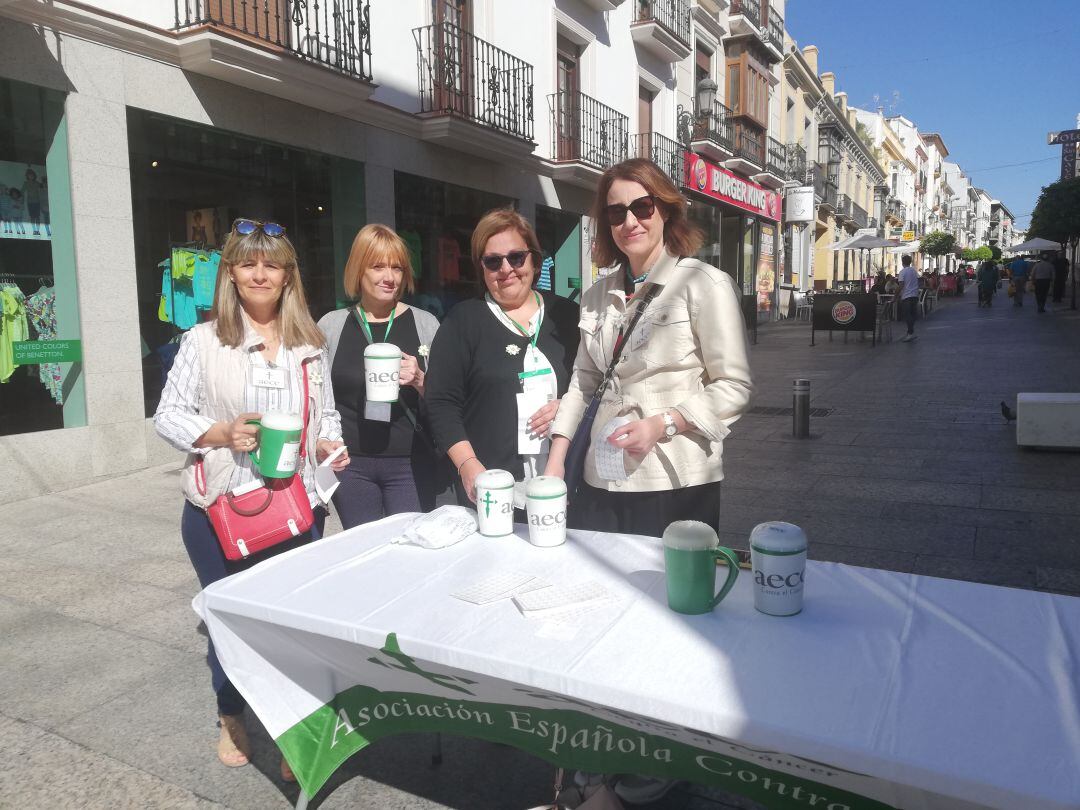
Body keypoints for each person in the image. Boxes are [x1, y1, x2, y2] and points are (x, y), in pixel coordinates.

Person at [154, 218, 349, 777]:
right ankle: (231, 713)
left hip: (295, 507)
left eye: (272, 263)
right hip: (220, 508)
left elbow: (326, 414)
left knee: (290, 624)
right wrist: (220, 433)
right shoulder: (204, 340)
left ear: (288, 275)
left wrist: (331, 441)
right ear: (231, 274)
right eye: (247, 263)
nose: (260, 273)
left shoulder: (309, 344)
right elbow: (167, 414)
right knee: (228, 622)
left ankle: (292, 726)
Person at [544, 157, 753, 537]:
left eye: (642, 207)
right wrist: (556, 463)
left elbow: (733, 387)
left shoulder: (705, 284)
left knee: (670, 593)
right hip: (602, 475)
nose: (630, 222)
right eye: (616, 212)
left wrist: (663, 424)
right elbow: (583, 382)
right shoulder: (594, 296)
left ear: (666, 211)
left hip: (675, 480)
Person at [424, 209, 580, 504]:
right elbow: (441, 402)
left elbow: (593, 386)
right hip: (491, 487)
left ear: (534, 260)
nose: (506, 269)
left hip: (564, 481)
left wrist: (569, 406)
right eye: (493, 262)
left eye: (516, 257)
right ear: (481, 269)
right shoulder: (463, 321)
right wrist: (468, 465)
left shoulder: (567, 316)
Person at [317, 224, 441, 528]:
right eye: (378, 266)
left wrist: (421, 380)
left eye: (397, 268)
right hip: (351, 465)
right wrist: (322, 443)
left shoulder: (425, 324)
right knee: (363, 554)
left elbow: (446, 401)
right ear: (359, 269)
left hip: (410, 463)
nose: (390, 277)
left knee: (410, 550)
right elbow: (318, 399)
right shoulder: (331, 326)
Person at [897, 254, 919, 341]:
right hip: (915, 295)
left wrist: (896, 295)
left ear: (902, 262)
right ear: (910, 262)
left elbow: (901, 285)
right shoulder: (914, 271)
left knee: (907, 315)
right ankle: (910, 332)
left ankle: (910, 333)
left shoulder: (903, 272)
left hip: (907, 296)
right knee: (912, 315)